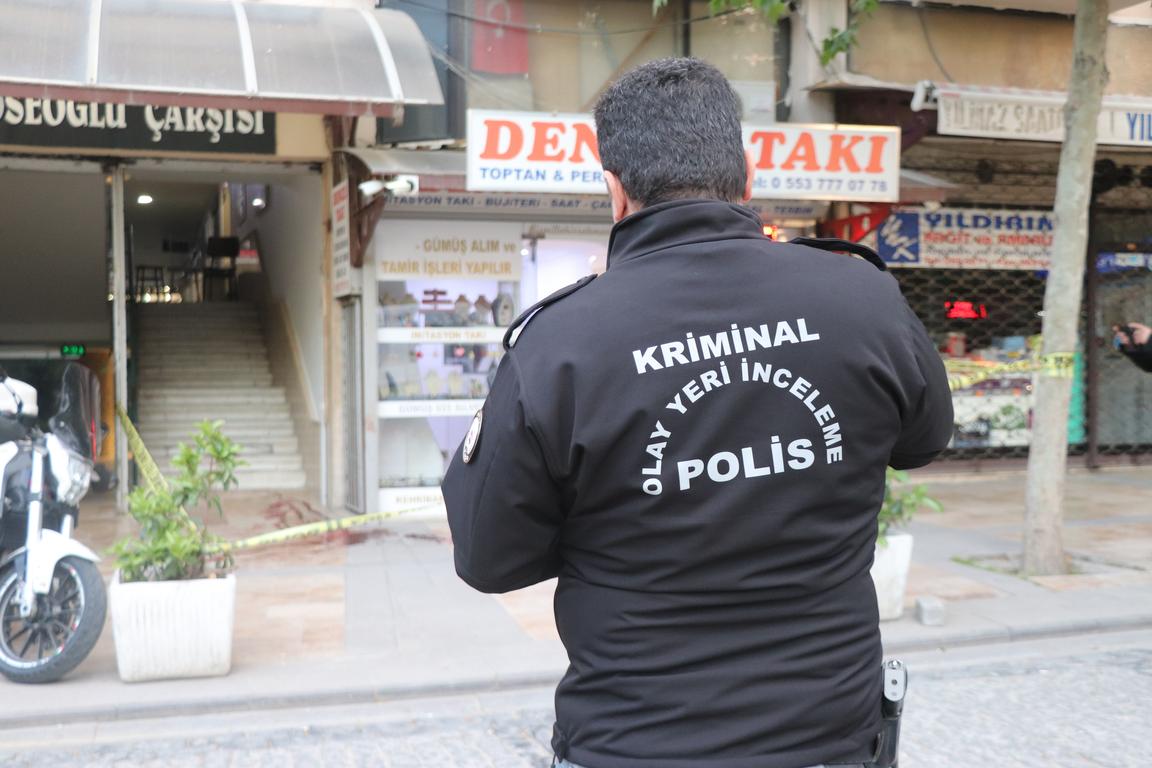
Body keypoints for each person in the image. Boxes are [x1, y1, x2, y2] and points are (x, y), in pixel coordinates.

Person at [442, 58, 954, 768]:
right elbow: (925, 439)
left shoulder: (560, 344)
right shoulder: (861, 298)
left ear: (615, 191)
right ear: (748, 177)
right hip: (831, 737)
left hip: (638, 743)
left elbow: (489, 557)